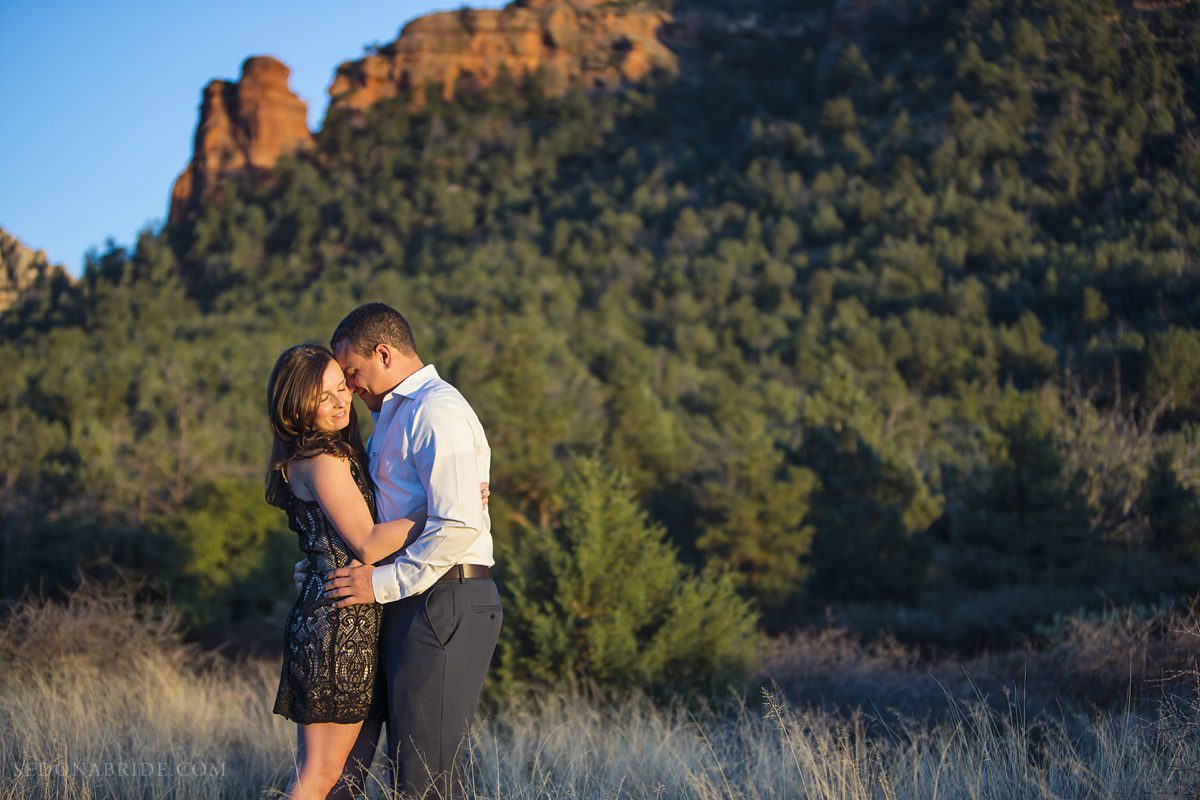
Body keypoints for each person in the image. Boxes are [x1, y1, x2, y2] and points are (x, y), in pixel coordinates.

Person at [265, 342, 489, 799]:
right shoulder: (324, 459)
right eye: (323, 396)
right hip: (340, 625)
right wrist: (444, 509)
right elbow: (368, 541)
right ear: (296, 407)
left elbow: (337, 536)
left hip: (354, 618)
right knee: (321, 778)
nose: (341, 400)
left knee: (343, 780)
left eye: (341, 387)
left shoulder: (343, 450)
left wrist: (317, 562)